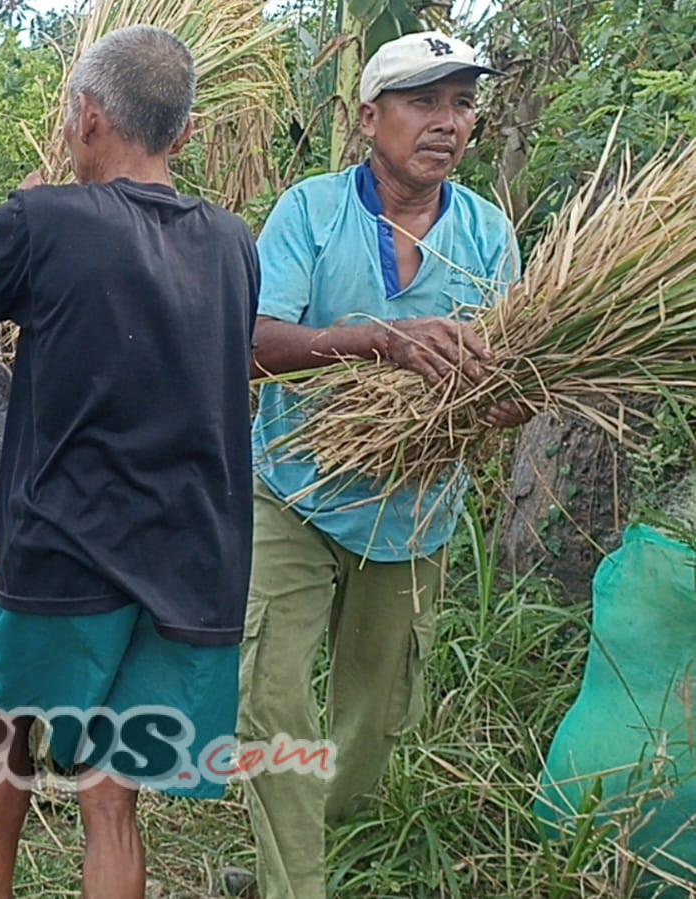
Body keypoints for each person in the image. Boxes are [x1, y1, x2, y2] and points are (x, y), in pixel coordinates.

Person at [0, 25, 260, 899]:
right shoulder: (232, 243)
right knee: (111, 796)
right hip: (191, 558)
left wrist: (11, 203)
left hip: (63, 545)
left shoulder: (44, 220)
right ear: (180, 135)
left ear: (87, 119)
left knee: (7, 728)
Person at [233, 31, 526, 899]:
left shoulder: (485, 234)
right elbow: (250, 343)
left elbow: (510, 378)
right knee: (270, 694)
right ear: (369, 118)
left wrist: (506, 400)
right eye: (422, 102)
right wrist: (372, 340)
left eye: (461, 104)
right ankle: (295, 884)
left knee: (373, 721)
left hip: (413, 509)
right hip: (291, 490)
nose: (446, 123)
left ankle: (303, 835)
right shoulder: (311, 212)